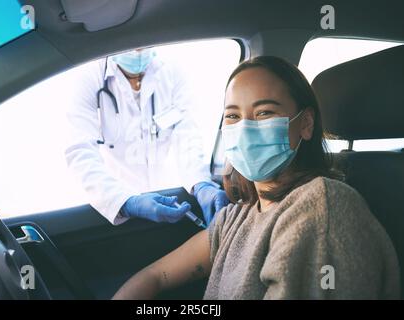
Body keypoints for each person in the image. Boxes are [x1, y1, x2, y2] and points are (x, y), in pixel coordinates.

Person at [111, 56, 400, 299]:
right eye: (233, 116)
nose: (245, 128)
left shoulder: (322, 206)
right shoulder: (237, 217)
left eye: (264, 112)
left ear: (306, 124)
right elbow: (155, 276)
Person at [65, 48, 228, 226]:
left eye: (142, 46)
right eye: (130, 44)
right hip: (118, 202)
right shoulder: (90, 78)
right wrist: (125, 202)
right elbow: (80, 152)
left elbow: (188, 137)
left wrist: (201, 184)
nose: (137, 52)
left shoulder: (172, 73)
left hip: (163, 195)